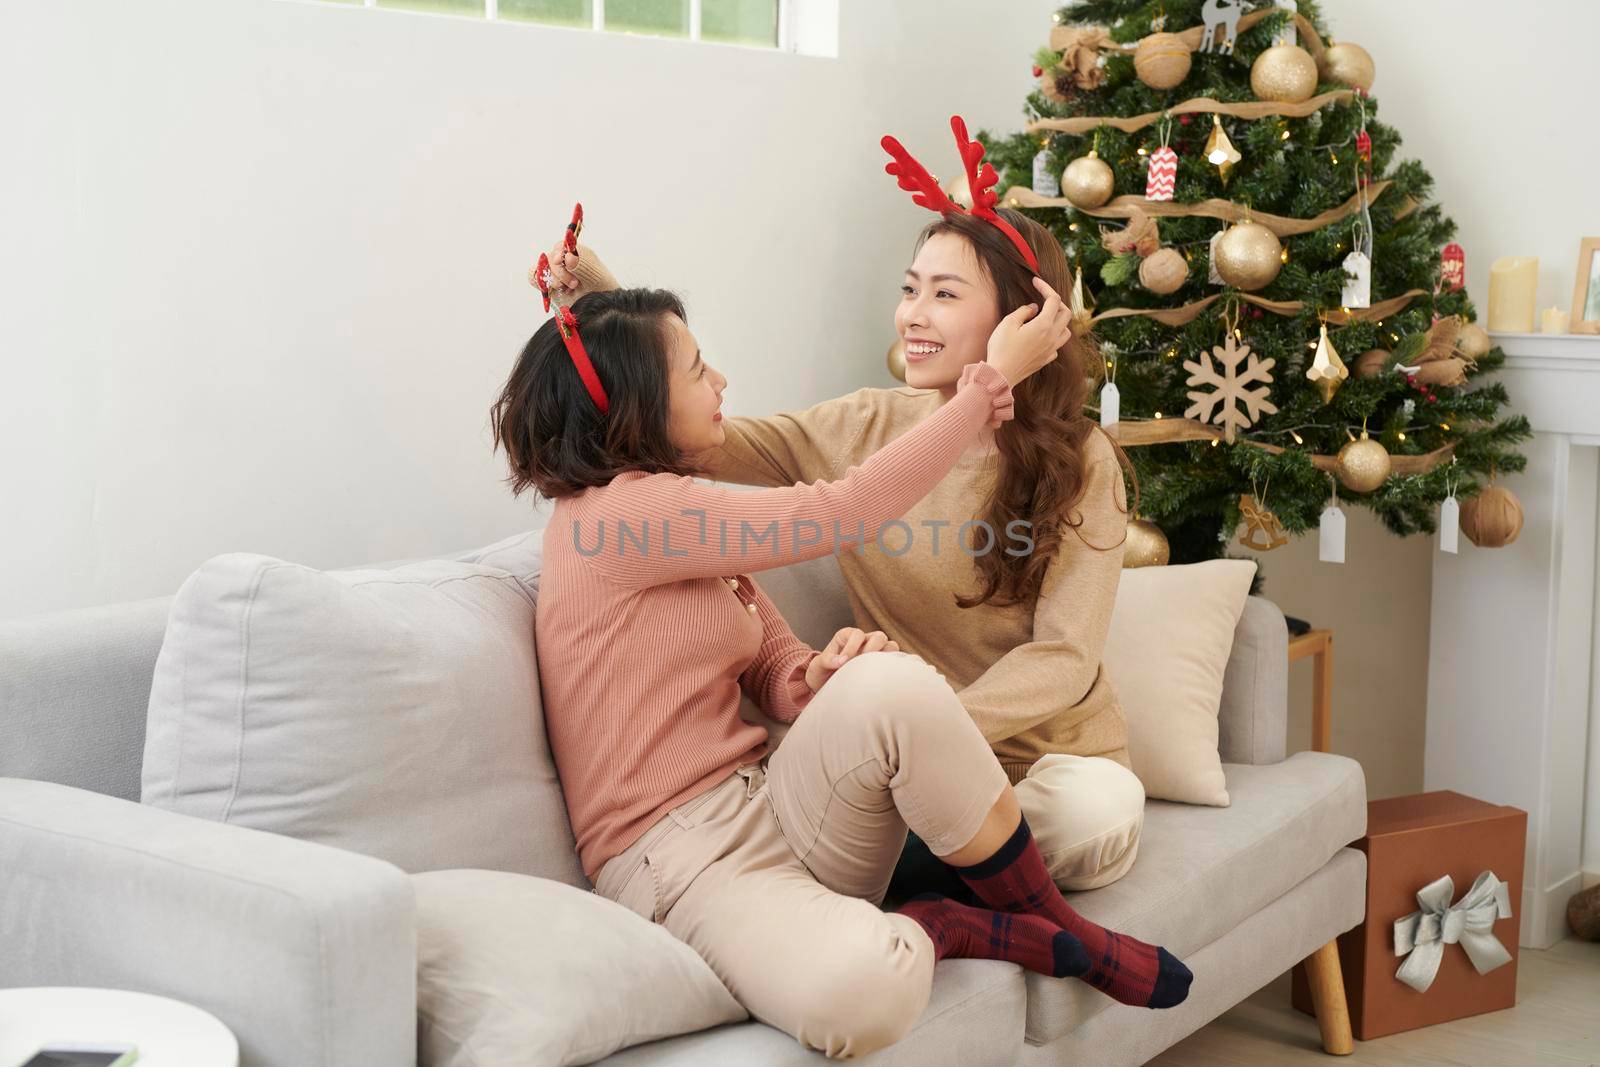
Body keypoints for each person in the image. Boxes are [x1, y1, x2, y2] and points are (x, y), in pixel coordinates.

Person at [491, 255, 1189, 1058]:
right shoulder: (622, 516)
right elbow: (843, 510)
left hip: (769, 798)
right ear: (642, 404)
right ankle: (948, 921)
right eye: (695, 369)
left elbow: (772, 663)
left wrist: (814, 676)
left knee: (887, 682)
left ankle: (1058, 927)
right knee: (869, 989)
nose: (720, 379)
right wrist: (982, 389)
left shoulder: (672, 505)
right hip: (675, 857)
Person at [543, 119, 1148, 908]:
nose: (913, 315)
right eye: (910, 290)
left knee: (1088, 816)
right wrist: (604, 303)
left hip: (1045, 760)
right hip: (909, 758)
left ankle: (953, 860)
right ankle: (959, 871)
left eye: (945, 294)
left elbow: (1065, 658)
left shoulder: (1084, 460)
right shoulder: (863, 425)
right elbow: (705, 436)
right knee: (875, 808)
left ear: (1023, 320)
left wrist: (933, 731)